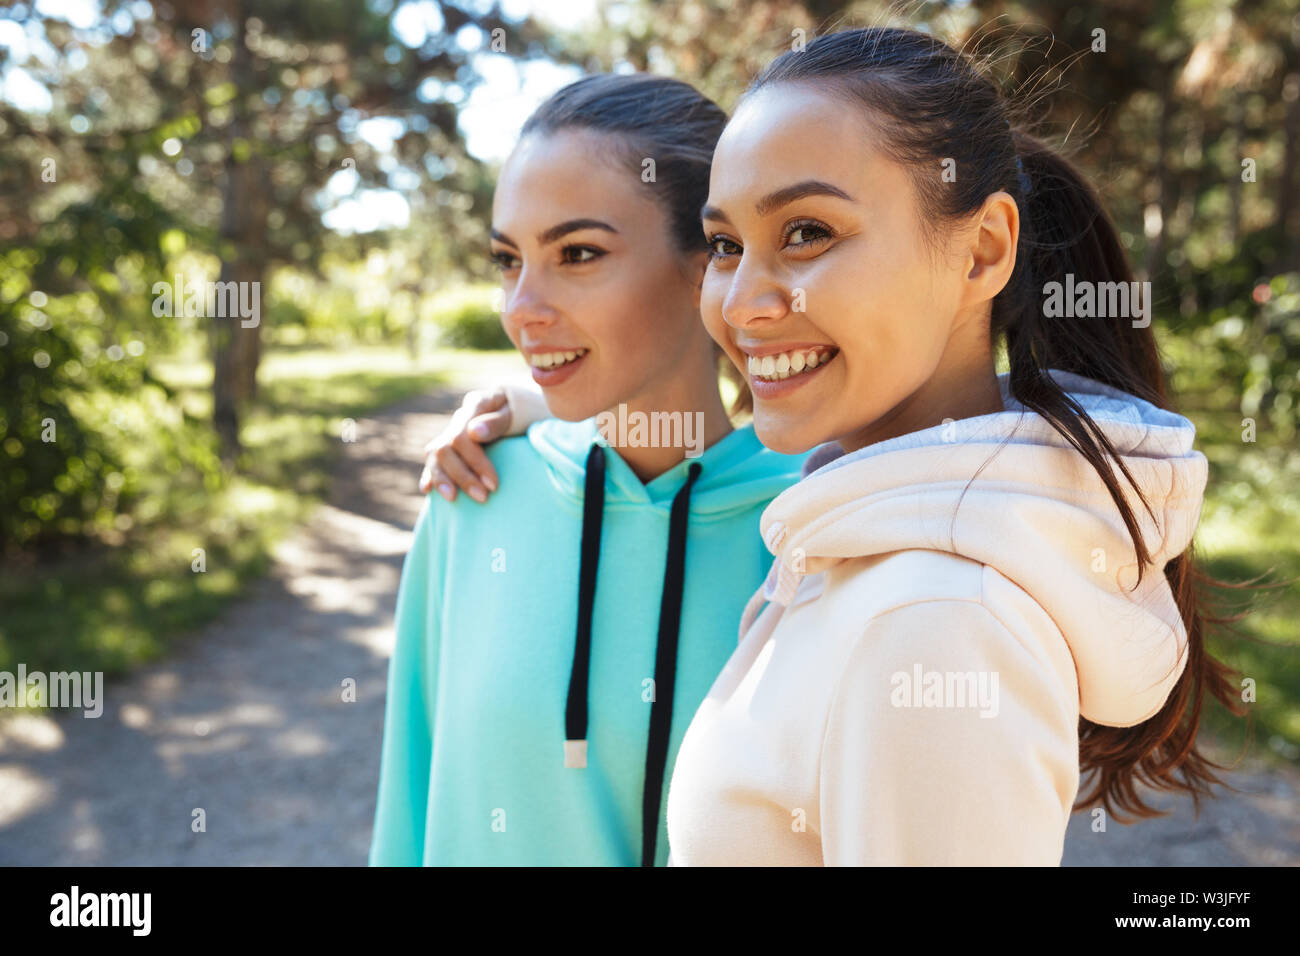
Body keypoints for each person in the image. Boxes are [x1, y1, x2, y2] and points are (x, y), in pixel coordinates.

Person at [663, 26, 1241, 865]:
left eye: (808, 232)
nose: (743, 302)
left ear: (983, 251)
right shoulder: (868, 541)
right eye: (725, 245)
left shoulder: (934, 620)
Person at [368, 72, 806, 867]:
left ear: (707, 262)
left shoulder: (821, 522)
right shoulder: (473, 495)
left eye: (577, 254)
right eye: (508, 259)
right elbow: (409, 802)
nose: (521, 307)